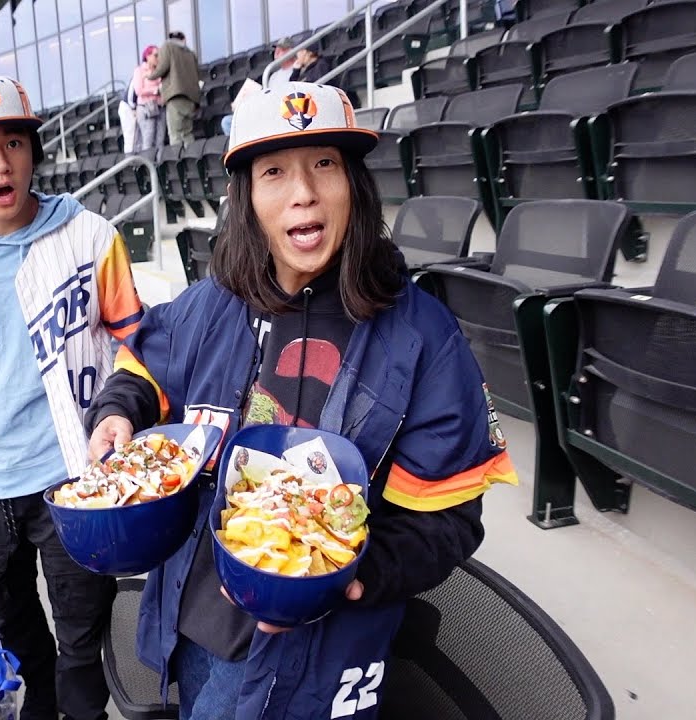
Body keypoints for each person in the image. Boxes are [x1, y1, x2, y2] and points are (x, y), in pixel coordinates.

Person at [83, 82, 519, 719]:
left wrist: (349, 574)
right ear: (245, 198)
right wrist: (119, 411)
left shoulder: (424, 336)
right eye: (274, 172)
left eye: (324, 164)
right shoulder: (214, 301)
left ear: (354, 186)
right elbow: (144, 365)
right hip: (194, 611)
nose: (303, 192)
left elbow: (447, 520)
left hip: (319, 650)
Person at [0, 75, 145, 720]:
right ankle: (41, 702)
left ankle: (83, 711)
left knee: (83, 625)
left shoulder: (91, 236)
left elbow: (134, 344)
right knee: (10, 622)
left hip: (71, 471)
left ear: (33, 152)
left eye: (13, 142)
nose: (0, 162)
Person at [149, 31, 202, 146]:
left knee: (175, 135)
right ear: (183, 39)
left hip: (175, 96)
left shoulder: (168, 46)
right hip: (191, 98)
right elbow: (198, 75)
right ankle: (191, 157)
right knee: (187, 134)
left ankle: (179, 158)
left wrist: (150, 75)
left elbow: (162, 68)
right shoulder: (191, 53)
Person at [130, 45, 165, 152]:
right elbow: (138, 90)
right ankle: (147, 161)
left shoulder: (159, 71)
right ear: (147, 56)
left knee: (160, 139)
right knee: (148, 139)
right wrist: (155, 90)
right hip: (146, 108)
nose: (158, 58)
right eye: (155, 55)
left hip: (160, 107)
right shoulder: (140, 70)